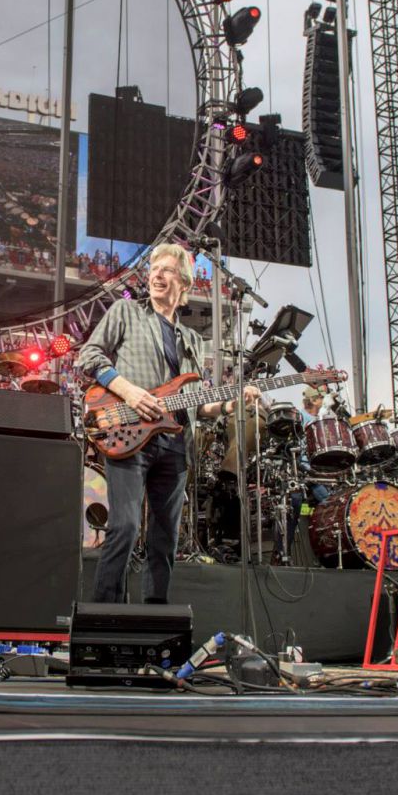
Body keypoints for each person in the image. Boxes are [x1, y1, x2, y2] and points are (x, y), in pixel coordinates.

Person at [77, 243, 261, 604]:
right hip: (128, 434)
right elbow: (89, 356)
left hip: (176, 444)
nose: (157, 275)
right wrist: (129, 391)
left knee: (165, 539)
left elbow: (197, 404)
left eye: (167, 270)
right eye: (154, 268)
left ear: (185, 284)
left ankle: (155, 614)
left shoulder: (192, 341)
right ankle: (106, 613)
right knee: (125, 526)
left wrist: (230, 404)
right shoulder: (127, 312)